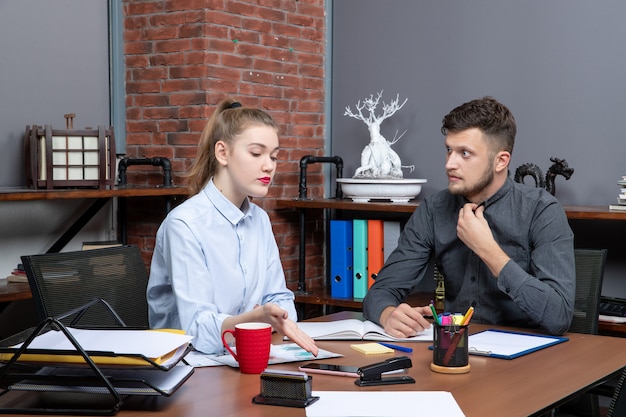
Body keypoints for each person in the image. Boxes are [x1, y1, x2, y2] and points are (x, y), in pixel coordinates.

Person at [363, 96, 575, 337]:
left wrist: (488, 250)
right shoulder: (434, 209)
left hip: (530, 356)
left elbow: (559, 317)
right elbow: (379, 292)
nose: (450, 164)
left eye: (465, 153)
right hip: (456, 347)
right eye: (449, 150)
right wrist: (387, 314)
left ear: (500, 161)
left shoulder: (542, 210)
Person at [147, 98, 318, 356]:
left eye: (274, 156)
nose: (269, 165)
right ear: (222, 153)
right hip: (188, 368)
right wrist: (257, 318)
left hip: (246, 355)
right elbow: (199, 333)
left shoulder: (260, 220)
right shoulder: (184, 225)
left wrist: (268, 316)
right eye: (256, 153)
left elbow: (281, 300)